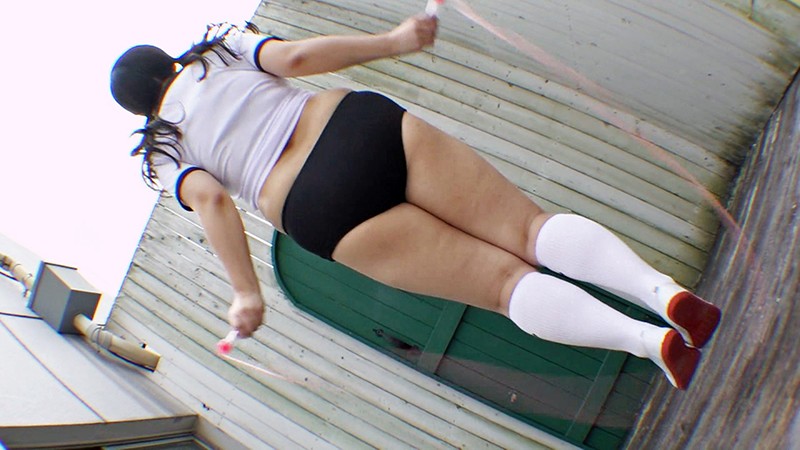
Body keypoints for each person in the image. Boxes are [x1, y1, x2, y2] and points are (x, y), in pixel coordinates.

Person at [110, 15, 720, 389]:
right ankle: (663, 294)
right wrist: (394, 41)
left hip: (317, 208)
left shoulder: (163, 148)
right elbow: (296, 58)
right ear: (166, 59)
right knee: (529, 229)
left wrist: (247, 292)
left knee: (504, 287)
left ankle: (649, 344)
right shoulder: (220, 53)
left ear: (140, 108)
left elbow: (212, 200)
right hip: (354, 127)